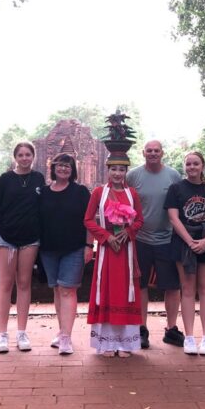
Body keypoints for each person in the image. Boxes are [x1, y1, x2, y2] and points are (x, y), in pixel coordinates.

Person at [84, 111, 144, 357]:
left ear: (126, 171)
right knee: (107, 291)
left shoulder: (132, 194)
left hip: (126, 250)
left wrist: (127, 233)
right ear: (107, 171)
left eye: (121, 169)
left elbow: (140, 219)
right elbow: (88, 219)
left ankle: (125, 343)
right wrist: (107, 236)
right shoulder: (99, 193)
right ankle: (108, 342)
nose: (118, 174)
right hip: (108, 251)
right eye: (114, 169)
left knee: (126, 292)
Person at [0, 142, 46, 353]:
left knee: (24, 283)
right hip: (6, 238)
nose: (24, 158)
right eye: (20, 155)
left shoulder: (39, 179)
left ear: (33, 156)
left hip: (30, 238)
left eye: (28, 154)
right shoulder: (5, 180)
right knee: (6, 283)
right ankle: (2, 334)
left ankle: (22, 332)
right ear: (15, 157)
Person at [166, 150, 205, 356]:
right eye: (188, 164)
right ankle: (189, 337)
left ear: (203, 166)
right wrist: (190, 241)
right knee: (188, 289)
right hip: (184, 243)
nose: (192, 167)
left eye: (196, 164)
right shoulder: (176, 189)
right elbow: (173, 218)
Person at [126, 140, 184, 349]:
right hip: (140, 239)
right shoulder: (133, 175)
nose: (152, 154)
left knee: (172, 285)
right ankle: (141, 329)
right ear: (143, 153)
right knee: (140, 284)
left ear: (162, 153)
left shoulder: (173, 175)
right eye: (149, 151)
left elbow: (181, 205)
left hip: (168, 238)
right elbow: (124, 203)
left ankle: (171, 329)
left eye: (156, 151)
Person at [38, 153, 92, 355]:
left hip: (74, 247)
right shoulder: (43, 192)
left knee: (68, 290)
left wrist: (89, 245)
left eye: (67, 166)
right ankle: (61, 332)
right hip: (48, 248)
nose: (63, 169)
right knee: (58, 289)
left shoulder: (80, 192)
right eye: (60, 165)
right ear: (53, 168)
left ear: (73, 170)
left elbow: (89, 220)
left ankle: (67, 337)